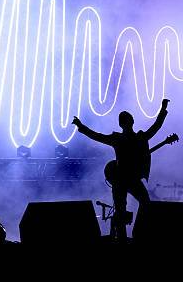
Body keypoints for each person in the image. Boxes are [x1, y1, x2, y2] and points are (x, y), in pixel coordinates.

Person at [72, 99, 170, 240]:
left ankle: (126, 237)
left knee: (125, 208)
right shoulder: (137, 138)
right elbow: (156, 127)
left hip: (122, 178)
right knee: (139, 205)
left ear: (121, 124)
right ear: (131, 121)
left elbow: (97, 136)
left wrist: (81, 127)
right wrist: (163, 109)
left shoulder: (122, 138)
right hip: (125, 179)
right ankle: (136, 234)